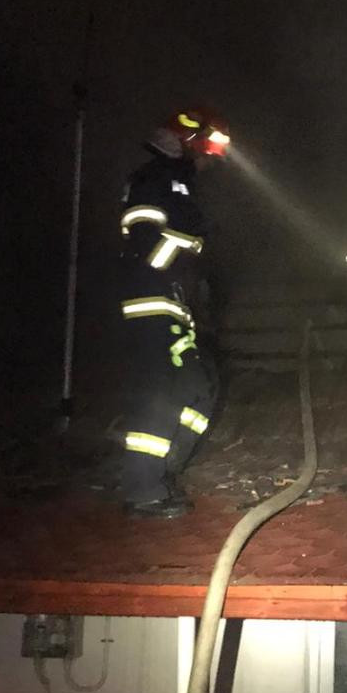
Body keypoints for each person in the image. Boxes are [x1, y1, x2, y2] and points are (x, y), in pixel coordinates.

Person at [117, 106, 230, 517]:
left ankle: (160, 474)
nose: (211, 160)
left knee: (201, 387)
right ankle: (143, 489)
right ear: (188, 142)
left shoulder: (179, 182)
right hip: (150, 299)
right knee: (164, 392)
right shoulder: (155, 178)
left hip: (174, 300)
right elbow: (146, 244)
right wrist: (187, 251)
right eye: (209, 149)